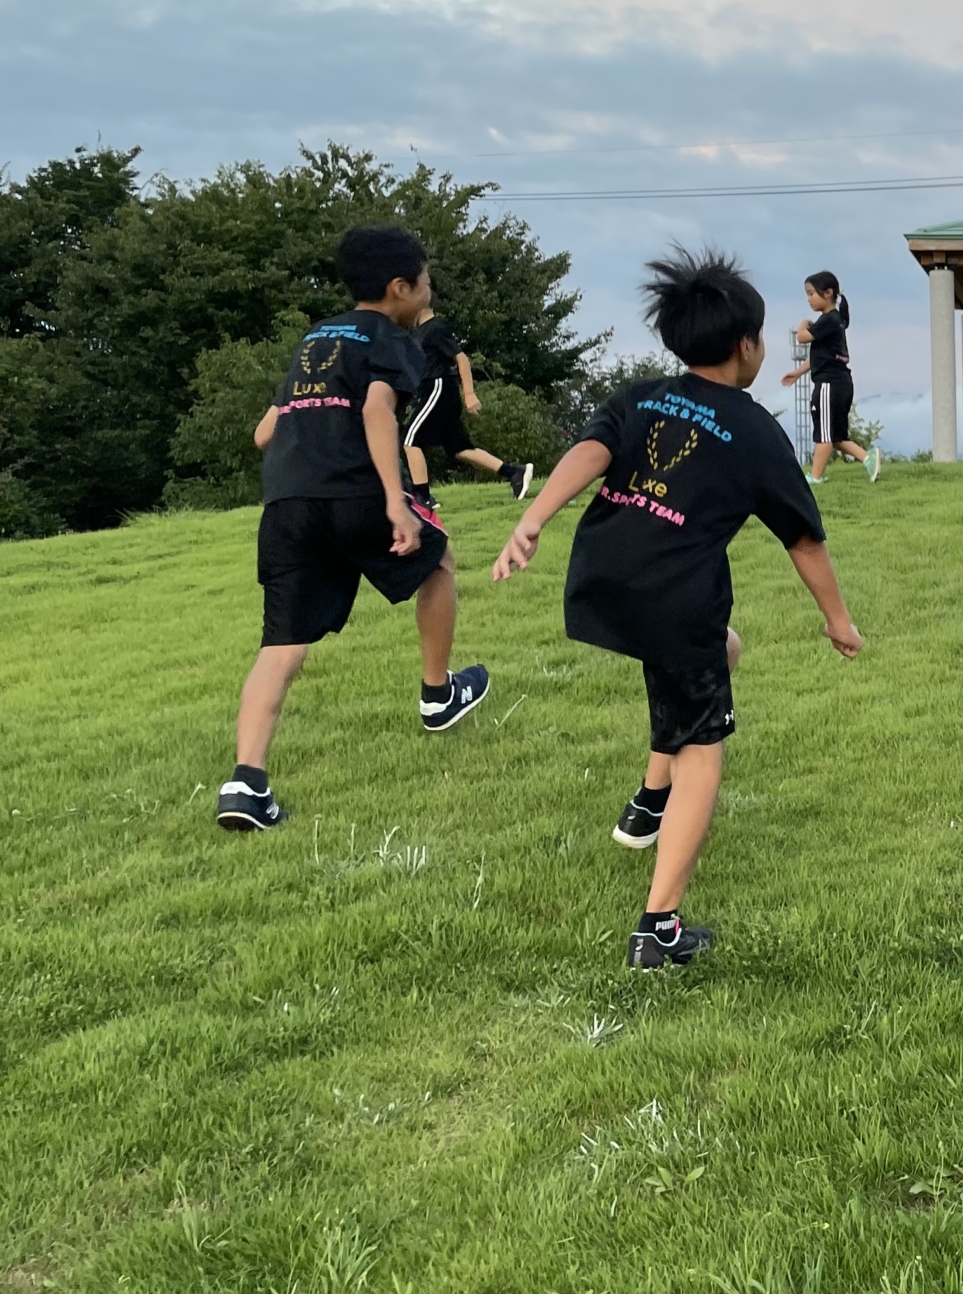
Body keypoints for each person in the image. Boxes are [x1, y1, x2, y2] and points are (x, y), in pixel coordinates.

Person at [492, 248, 863, 970]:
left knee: (720, 652)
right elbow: (805, 541)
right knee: (704, 745)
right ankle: (658, 928)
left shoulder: (639, 397)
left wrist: (532, 519)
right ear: (745, 346)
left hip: (604, 581)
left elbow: (589, 453)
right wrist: (837, 620)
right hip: (672, 598)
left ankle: (646, 802)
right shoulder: (754, 431)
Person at [217, 225, 493, 831]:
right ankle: (437, 691)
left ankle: (246, 783)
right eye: (425, 279)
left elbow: (265, 432)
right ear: (401, 288)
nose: (430, 288)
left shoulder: (315, 340)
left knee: (282, 644)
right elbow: (376, 408)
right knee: (439, 562)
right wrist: (397, 500)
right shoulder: (388, 337)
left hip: (288, 502)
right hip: (356, 490)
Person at [402, 312, 536, 503]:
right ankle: (514, 472)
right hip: (432, 391)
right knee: (460, 447)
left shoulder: (435, 327)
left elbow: (461, 358)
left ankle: (423, 498)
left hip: (438, 388)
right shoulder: (418, 331)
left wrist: (469, 393)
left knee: (411, 439)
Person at [777, 271, 879, 484]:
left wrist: (804, 324)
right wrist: (797, 373)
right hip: (841, 382)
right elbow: (821, 356)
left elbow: (803, 337)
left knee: (823, 433)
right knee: (836, 436)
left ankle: (814, 478)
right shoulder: (836, 321)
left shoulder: (827, 320)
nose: (808, 299)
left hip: (828, 384)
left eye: (811, 293)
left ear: (828, 293)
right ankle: (868, 458)